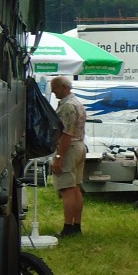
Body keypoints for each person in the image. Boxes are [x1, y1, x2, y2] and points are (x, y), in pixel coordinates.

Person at [49, 75, 87, 237]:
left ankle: (67, 227)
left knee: (67, 189)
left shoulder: (67, 106)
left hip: (68, 148)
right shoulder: (77, 103)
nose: (53, 92)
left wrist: (59, 157)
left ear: (65, 88)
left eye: (55, 88)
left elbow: (66, 134)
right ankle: (76, 225)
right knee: (76, 188)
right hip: (79, 145)